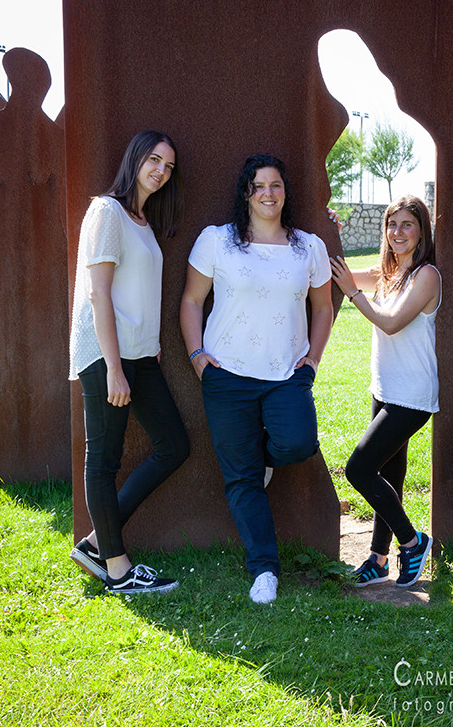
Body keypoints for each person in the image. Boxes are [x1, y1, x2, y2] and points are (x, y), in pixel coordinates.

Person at [180, 154, 333, 604]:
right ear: (246, 192)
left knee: (298, 443)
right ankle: (264, 569)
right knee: (242, 479)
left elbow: (323, 308)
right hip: (226, 375)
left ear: (286, 192)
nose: (269, 193)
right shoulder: (217, 241)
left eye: (277, 185)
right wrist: (196, 356)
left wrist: (314, 360)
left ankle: (261, 459)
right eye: (259, 185)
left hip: (287, 375)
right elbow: (192, 300)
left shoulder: (309, 247)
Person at [69, 130, 190, 594]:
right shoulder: (107, 211)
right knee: (103, 459)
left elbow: (137, 292)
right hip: (107, 355)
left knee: (174, 446)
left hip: (142, 354)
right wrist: (115, 367)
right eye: (155, 160)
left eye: (169, 166)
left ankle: (100, 540)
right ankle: (117, 569)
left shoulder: (141, 220)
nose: (161, 170)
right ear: (135, 157)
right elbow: (98, 293)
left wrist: (149, 342)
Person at [330, 196, 440, 588]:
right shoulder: (386, 273)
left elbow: (390, 323)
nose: (397, 232)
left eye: (407, 224)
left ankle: (413, 542)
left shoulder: (426, 275)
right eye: (391, 225)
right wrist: (331, 231)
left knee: (359, 468)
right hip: (384, 388)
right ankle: (377, 560)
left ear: (422, 231)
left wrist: (353, 296)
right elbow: (339, 273)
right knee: (386, 475)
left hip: (411, 394)